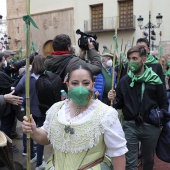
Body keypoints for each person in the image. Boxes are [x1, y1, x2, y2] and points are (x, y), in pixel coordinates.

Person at [22, 64, 128, 170]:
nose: (80, 88)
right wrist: (34, 131)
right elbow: (46, 137)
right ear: (67, 85)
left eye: (86, 83)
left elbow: (118, 153)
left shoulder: (106, 114)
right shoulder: (56, 109)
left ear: (93, 85)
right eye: (75, 83)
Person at [108, 46, 168, 170]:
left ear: (144, 60)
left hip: (151, 126)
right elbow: (119, 103)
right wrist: (113, 98)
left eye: (135, 58)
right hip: (130, 125)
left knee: (148, 161)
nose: (131, 62)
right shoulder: (125, 81)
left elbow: (163, 102)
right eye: (129, 59)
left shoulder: (155, 80)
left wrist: (160, 120)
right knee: (130, 163)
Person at [15, 55, 46, 170]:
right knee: (40, 133)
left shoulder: (27, 77)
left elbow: (17, 88)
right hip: (42, 110)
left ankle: (28, 153)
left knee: (28, 130)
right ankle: (38, 163)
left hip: (30, 108)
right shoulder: (46, 77)